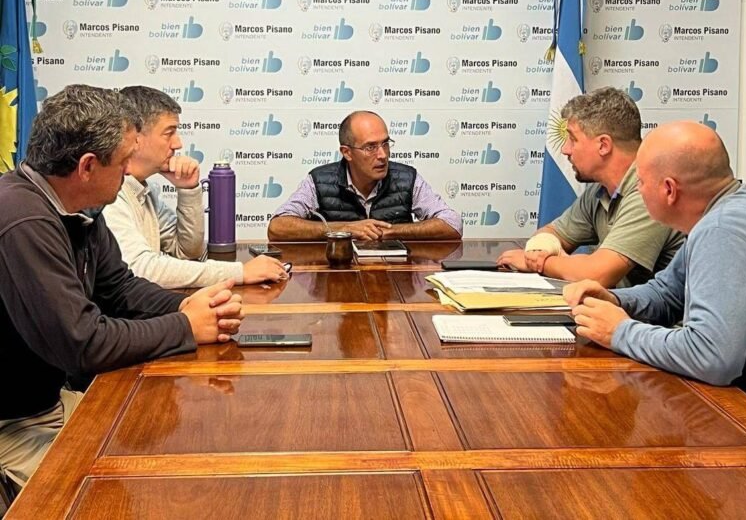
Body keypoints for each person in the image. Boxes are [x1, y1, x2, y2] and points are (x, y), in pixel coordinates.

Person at [0, 85, 243, 493]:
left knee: (161, 453)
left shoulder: (78, 209)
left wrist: (190, 305)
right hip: (13, 425)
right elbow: (83, 344)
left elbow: (120, 289)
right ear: (87, 166)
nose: (130, 171)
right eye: (123, 160)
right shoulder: (23, 220)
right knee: (106, 492)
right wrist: (185, 326)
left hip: (49, 403)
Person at [563, 121, 746, 405]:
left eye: (641, 182)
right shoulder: (720, 215)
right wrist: (615, 300)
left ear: (669, 190)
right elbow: (667, 293)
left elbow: (712, 356)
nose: (638, 191)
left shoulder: (724, 230)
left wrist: (619, 332)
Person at [103, 86, 286, 289]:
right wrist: (239, 272)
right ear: (134, 137)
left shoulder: (144, 191)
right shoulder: (108, 196)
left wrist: (188, 189)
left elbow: (187, 251)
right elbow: (140, 269)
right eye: (169, 133)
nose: (178, 144)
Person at [497, 88, 684, 287]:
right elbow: (552, 232)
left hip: (658, 309)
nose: (565, 149)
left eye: (573, 139)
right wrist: (541, 250)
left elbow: (598, 274)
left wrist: (539, 263)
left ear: (603, 145)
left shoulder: (649, 192)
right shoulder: (599, 192)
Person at [267, 111, 462, 241]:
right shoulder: (319, 180)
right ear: (347, 152)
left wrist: (389, 231)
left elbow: (452, 224)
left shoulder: (407, 178)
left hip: (395, 278)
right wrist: (345, 229)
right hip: (337, 278)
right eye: (371, 147)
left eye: (385, 144)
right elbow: (278, 227)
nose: (382, 155)